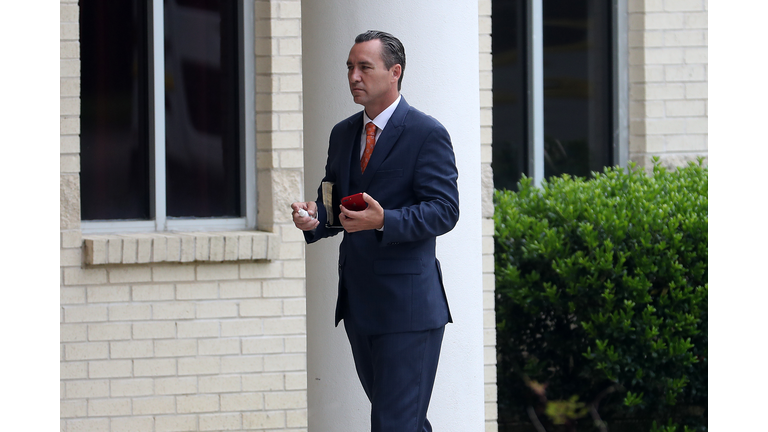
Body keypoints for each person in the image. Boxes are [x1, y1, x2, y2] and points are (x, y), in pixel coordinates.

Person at [291, 30, 460, 432]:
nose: (354, 76)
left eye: (364, 67)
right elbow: (334, 203)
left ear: (394, 72)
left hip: (408, 309)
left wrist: (385, 220)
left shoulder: (426, 133)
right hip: (360, 306)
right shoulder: (342, 133)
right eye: (350, 67)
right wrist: (315, 216)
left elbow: (445, 211)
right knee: (403, 424)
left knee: (394, 425)